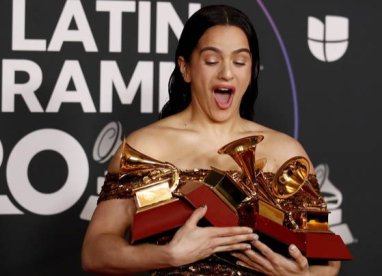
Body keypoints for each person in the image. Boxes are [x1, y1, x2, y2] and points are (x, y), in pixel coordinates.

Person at [81, 4, 341, 275]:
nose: (227, 73)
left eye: (239, 62)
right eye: (212, 60)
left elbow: (327, 258)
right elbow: (95, 251)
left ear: (251, 72)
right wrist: (167, 255)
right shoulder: (145, 148)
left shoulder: (287, 151)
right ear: (186, 68)